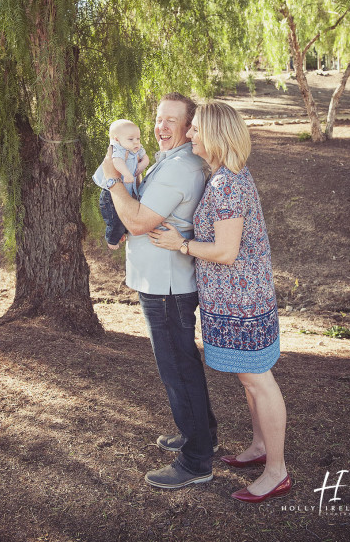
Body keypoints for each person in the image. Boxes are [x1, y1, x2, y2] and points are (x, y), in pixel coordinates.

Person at [148, 101, 291, 503]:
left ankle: (277, 472)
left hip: (241, 302)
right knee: (250, 381)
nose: (189, 135)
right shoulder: (226, 176)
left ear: (214, 134)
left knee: (258, 381)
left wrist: (182, 244)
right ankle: (261, 447)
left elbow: (227, 252)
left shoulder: (227, 183)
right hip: (236, 299)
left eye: (195, 130)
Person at [101, 93, 218, 489]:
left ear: (189, 127)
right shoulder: (169, 161)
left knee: (178, 370)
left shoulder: (179, 168)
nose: (161, 127)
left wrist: (112, 180)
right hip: (163, 280)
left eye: (172, 121)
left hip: (167, 287)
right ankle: (202, 437)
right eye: (158, 118)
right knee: (182, 366)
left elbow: (136, 222)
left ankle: (196, 460)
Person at [93, 119, 149, 250]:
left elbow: (146, 158)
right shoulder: (117, 149)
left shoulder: (136, 147)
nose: (136, 142)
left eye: (138, 138)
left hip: (125, 190)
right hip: (110, 194)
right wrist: (127, 174)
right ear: (117, 139)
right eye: (131, 139)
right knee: (115, 219)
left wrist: (141, 165)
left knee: (124, 217)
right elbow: (117, 162)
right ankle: (111, 240)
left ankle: (120, 234)